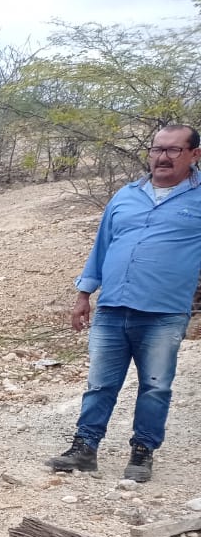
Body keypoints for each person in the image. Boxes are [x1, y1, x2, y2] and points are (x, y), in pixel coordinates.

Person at [45, 123, 201, 483]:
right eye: (157, 149)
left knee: (156, 386)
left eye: (173, 150)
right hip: (113, 307)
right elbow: (102, 246)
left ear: (194, 154)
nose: (162, 157)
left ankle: (142, 452)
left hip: (164, 313)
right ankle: (84, 449)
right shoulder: (126, 195)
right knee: (100, 383)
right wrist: (84, 294)